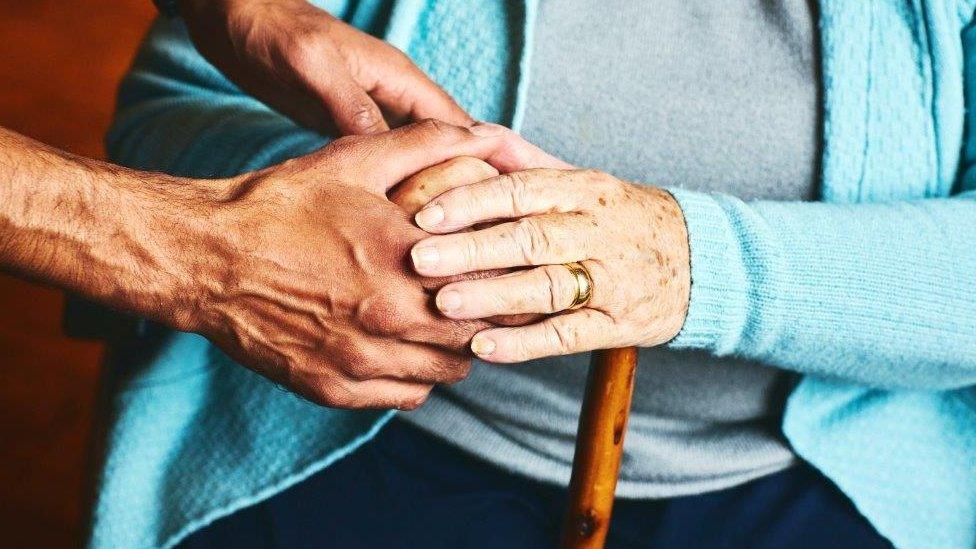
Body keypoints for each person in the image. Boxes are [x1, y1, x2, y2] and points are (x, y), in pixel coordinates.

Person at [89, 1, 976, 548]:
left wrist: (691, 264)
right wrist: (346, 210)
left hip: (815, 483)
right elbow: (169, 113)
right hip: (357, 437)